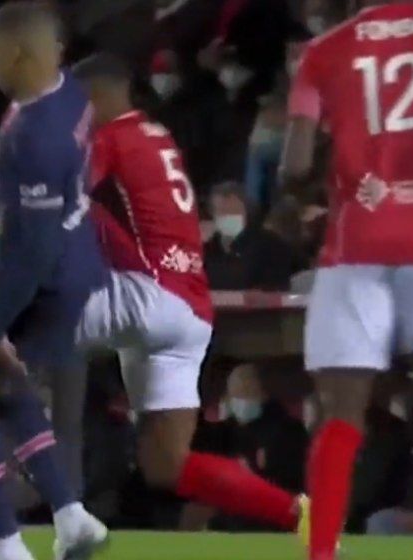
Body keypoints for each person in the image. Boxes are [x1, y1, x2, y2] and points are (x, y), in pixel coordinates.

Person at [279, 2, 413, 560]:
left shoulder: (324, 50)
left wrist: (320, 193)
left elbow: (295, 167)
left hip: (357, 242)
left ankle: (322, 550)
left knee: (341, 408)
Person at [72, 52, 308, 538]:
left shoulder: (108, 139)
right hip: (188, 310)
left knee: (14, 332)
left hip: (146, 298)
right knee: (166, 464)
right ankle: (299, 514)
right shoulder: (158, 136)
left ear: (92, 98)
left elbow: (63, 202)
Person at [0, 4, 109, 560]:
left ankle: (5, 544)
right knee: (6, 387)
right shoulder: (67, 94)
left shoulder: (34, 135)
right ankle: (72, 517)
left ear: (15, 54)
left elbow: (32, 250)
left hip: (43, 278)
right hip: (76, 263)